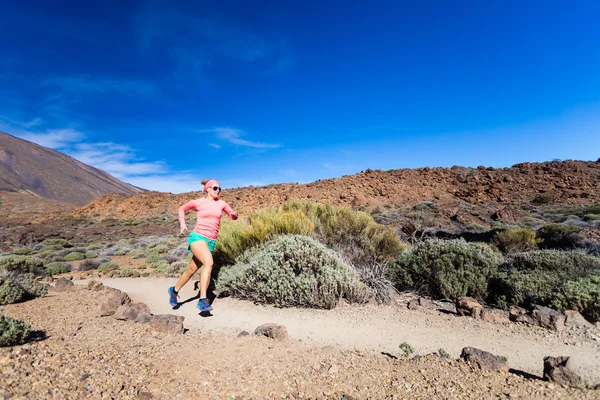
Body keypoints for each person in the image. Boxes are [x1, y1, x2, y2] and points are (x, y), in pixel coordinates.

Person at [168, 179, 238, 312]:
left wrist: (235, 215)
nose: (218, 191)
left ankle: (174, 290)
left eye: (220, 189)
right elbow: (182, 209)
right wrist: (183, 225)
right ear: (208, 189)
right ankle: (203, 300)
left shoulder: (221, 204)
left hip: (210, 242)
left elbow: (232, 216)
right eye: (215, 188)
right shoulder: (198, 202)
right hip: (197, 237)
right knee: (209, 263)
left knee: (191, 270)